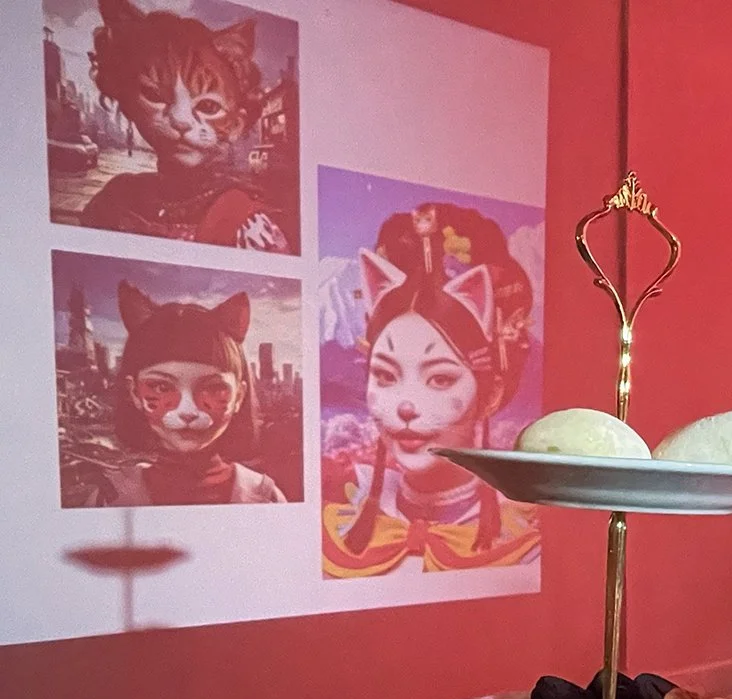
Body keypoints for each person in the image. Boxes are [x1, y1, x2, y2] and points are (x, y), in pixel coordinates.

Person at [322, 204, 540, 576]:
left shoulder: (525, 548)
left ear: (489, 394)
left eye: (439, 379)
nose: (406, 406)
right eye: (386, 375)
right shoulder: (339, 520)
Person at [79, 0, 293, 252]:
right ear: (127, 102)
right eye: (155, 95)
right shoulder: (116, 199)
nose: (180, 120)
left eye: (208, 106)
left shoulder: (244, 219)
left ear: (237, 124)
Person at [90, 280, 285, 506]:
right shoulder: (110, 496)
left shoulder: (264, 495)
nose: (188, 411)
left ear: (239, 396)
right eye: (162, 387)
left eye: (213, 388)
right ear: (134, 392)